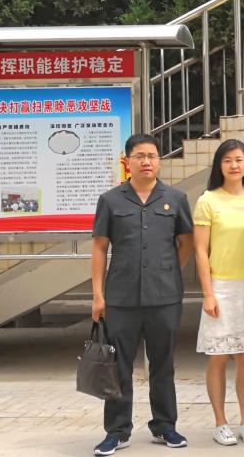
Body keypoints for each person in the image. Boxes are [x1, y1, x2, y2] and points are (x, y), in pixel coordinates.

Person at [90, 133, 194, 456]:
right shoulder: (110, 200)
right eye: (139, 156)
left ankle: (165, 426)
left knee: (163, 364)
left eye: (151, 156)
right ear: (127, 162)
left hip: (164, 297)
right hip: (121, 298)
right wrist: (97, 295)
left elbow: (186, 242)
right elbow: (99, 247)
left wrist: (167, 270)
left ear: (159, 161)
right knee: (118, 366)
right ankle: (117, 431)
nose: (146, 161)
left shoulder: (175, 198)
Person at [193, 139, 244, 446]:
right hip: (221, 287)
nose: (234, 165)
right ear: (219, 165)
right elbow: (200, 250)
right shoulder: (208, 200)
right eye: (227, 160)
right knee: (218, 357)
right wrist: (208, 293)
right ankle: (220, 422)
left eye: (239, 159)